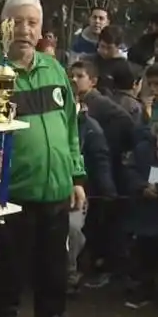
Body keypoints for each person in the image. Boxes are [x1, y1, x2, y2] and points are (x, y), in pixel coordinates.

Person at [0, 0, 87, 317]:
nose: (24, 29)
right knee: (5, 279)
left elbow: (70, 128)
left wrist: (75, 175)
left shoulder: (55, 71)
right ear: (2, 24)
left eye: (32, 22)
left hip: (55, 195)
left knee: (54, 278)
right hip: (10, 201)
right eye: (16, 21)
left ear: (41, 28)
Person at [69, 60, 134, 289]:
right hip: (85, 169)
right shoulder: (74, 101)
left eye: (80, 76)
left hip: (100, 169)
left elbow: (126, 122)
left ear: (93, 81)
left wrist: (112, 146)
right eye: (72, 76)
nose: (74, 80)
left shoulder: (99, 104)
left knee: (97, 224)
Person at [67, 103, 115, 294]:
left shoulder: (91, 129)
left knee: (71, 229)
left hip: (79, 191)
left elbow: (101, 161)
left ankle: (69, 275)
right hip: (45, 186)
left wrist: (108, 190)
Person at [123, 122, 158, 307]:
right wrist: (143, 187)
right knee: (145, 252)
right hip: (147, 214)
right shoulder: (142, 149)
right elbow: (130, 172)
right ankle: (144, 288)